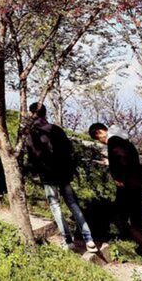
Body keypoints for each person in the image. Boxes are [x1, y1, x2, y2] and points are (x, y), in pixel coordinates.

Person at [89, 122, 142, 277]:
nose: (101, 141)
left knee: (121, 221)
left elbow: (122, 158)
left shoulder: (113, 141)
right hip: (138, 185)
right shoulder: (123, 139)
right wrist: (111, 163)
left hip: (128, 187)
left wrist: (119, 177)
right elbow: (127, 158)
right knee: (137, 223)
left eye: (98, 138)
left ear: (99, 132)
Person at [25, 103, 96, 251]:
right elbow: (69, 150)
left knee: (55, 205)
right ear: (45, 113)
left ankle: (68, 240)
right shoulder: (57, 129)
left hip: (47, 174)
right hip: (64, 172)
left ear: (32, 114)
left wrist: (34, 171)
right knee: (73, 204)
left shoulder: (32, 133)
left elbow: (32, 156)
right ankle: (89, 239)